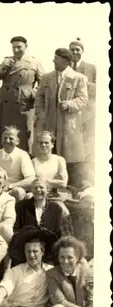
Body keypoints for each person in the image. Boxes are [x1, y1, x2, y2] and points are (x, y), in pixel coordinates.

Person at [34, 48, 88, 189]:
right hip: (50, 122)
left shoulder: (78, 78)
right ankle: (49, 185)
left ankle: (70, 187)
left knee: (69, 155)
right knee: (50, 152)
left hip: (69, 124)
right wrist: (41, 112)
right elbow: (39, 96)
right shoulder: (47, 77)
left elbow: (83, 99)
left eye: (56, 59)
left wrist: (70, 104)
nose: (53, 61)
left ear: (66, 61)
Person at [0, 36, 44, 152]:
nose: (16, 50)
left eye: (19, 47)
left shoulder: (34, 62)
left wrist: (31, 93)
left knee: (23, 134)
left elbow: (43, 84)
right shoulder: (7, 61)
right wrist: (2, 67)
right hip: (5, 104)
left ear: (26, 47)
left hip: (24, 105)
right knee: (4, 134)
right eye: (13, 47)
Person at [0, 226, 55, 307]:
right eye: (28, 251)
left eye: (35, 251)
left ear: (42, 252)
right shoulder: (15, 272)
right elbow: (0, 294)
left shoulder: (51, 271)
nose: (31, 255)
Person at [14, 179, 74, 254]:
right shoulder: (21, 207)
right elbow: (17, 229)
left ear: (48, 190)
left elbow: (58, 232)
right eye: (35, 188)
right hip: (28, 250)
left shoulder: (56, 208)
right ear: (31, 190)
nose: (38, 190)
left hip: (49, 250)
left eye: (41, 187)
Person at [0, 126, 36, 201]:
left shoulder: (23, 155)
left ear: (17, 141)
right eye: (5, 138)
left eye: (11, 138)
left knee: (19, 192)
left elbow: (30, 179)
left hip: (13, 190)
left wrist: (10, 186)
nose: (7, 141)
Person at [69, 38, 96, 186]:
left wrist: (84, 81)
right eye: (72, 50)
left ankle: (85, 180)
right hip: (70, 114)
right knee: (71, 146)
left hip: (87, 113)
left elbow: (100, 88)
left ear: (82, 51)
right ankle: (73, 180)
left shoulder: (91, 68)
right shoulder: (65, 68)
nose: (74, 52)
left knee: (85, 146)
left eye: (77, 50)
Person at [47, 236, 93, 307]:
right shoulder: (51, 274)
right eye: (62, 257)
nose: (65, 261)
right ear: (58, 257)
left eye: (70, 257)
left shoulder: (86, 272)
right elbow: (61, 302)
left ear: (77, 258)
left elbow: (92, 300)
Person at [31, 131, 68, 198]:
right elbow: (32, 183)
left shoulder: (59, 160)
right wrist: (54, 182)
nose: (43, 145)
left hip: (56, 194)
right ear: (37, 145)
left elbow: (63, 183)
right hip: (39, 194)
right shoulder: (33, 162)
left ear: (52, 144)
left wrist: (42, 181)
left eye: (46, 142)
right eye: (41, 143)